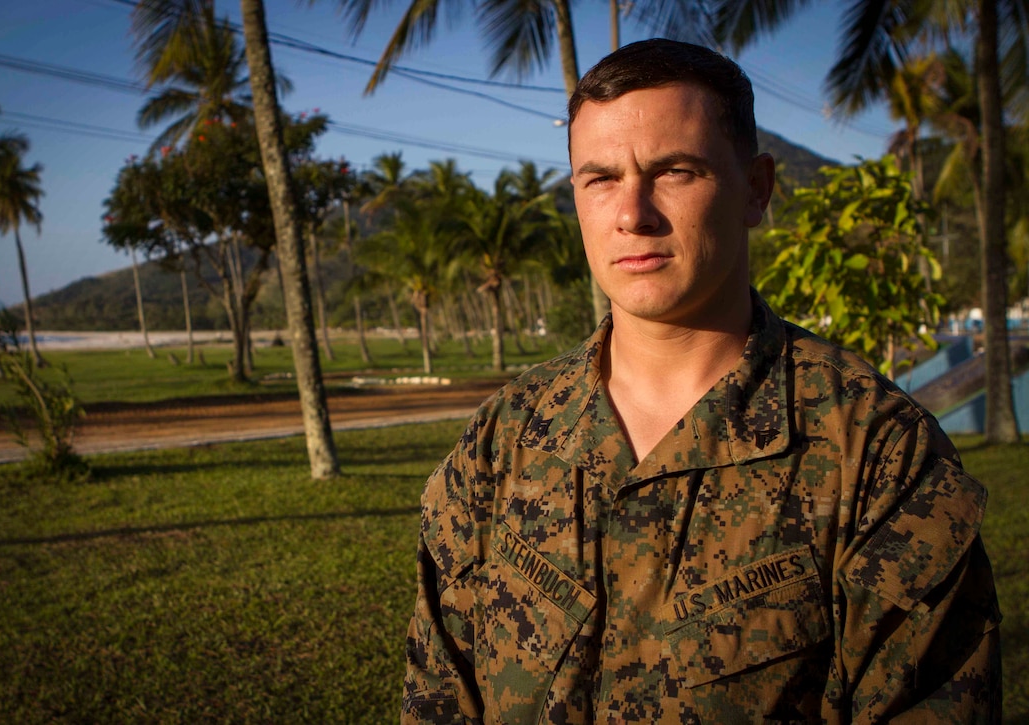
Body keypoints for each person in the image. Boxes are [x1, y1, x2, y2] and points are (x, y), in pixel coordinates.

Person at [402, 39, 1002, 724]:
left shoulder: (877, 456)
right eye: (600, 179)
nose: (632, 214)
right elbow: (437, 694)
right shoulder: (502, 439)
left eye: (675, 172)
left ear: (756, 189)